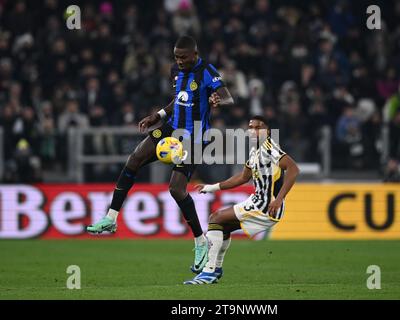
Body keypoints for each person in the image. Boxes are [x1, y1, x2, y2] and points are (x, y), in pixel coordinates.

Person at [87, 35, 234, 273]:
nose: (180, 61)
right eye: (176, 56)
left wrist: (218, 98)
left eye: (184, 57)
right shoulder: (175, 70)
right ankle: (111, 218)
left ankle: (200, 241)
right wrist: (159, 115)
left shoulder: (207, 70)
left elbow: (228, 96)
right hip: (169, 129)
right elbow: (179, 99)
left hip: (194, 137)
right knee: (134, 158)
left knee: (176, 189)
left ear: (195, 55)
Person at [184, 116, 299, 284]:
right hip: (258, 201)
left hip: (266, 206)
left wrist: (279, 199)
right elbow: (243, 177)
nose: (253, 131)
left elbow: (293, 169)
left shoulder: (270, 148)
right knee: (222, 226)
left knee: (215, 218)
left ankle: (209, 271)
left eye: (258, 128)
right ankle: (215, 269)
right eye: (250, 127)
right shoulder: (255, 151)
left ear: (267, 131)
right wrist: (211, 187)